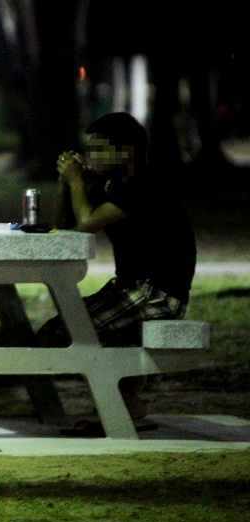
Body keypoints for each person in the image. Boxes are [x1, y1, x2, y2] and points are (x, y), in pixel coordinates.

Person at [37, 112, 197, 436]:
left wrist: (77, 181)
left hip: (157, 293)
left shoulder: (142, 185)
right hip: (130, 288)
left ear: (125, 152)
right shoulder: (114, 185)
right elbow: (64, 225)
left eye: (99, 149)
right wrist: (64, 182)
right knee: (57, 333)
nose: (91, 155)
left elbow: (86, 224)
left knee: (70, 334)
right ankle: (125, 402)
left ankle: (121, 405)